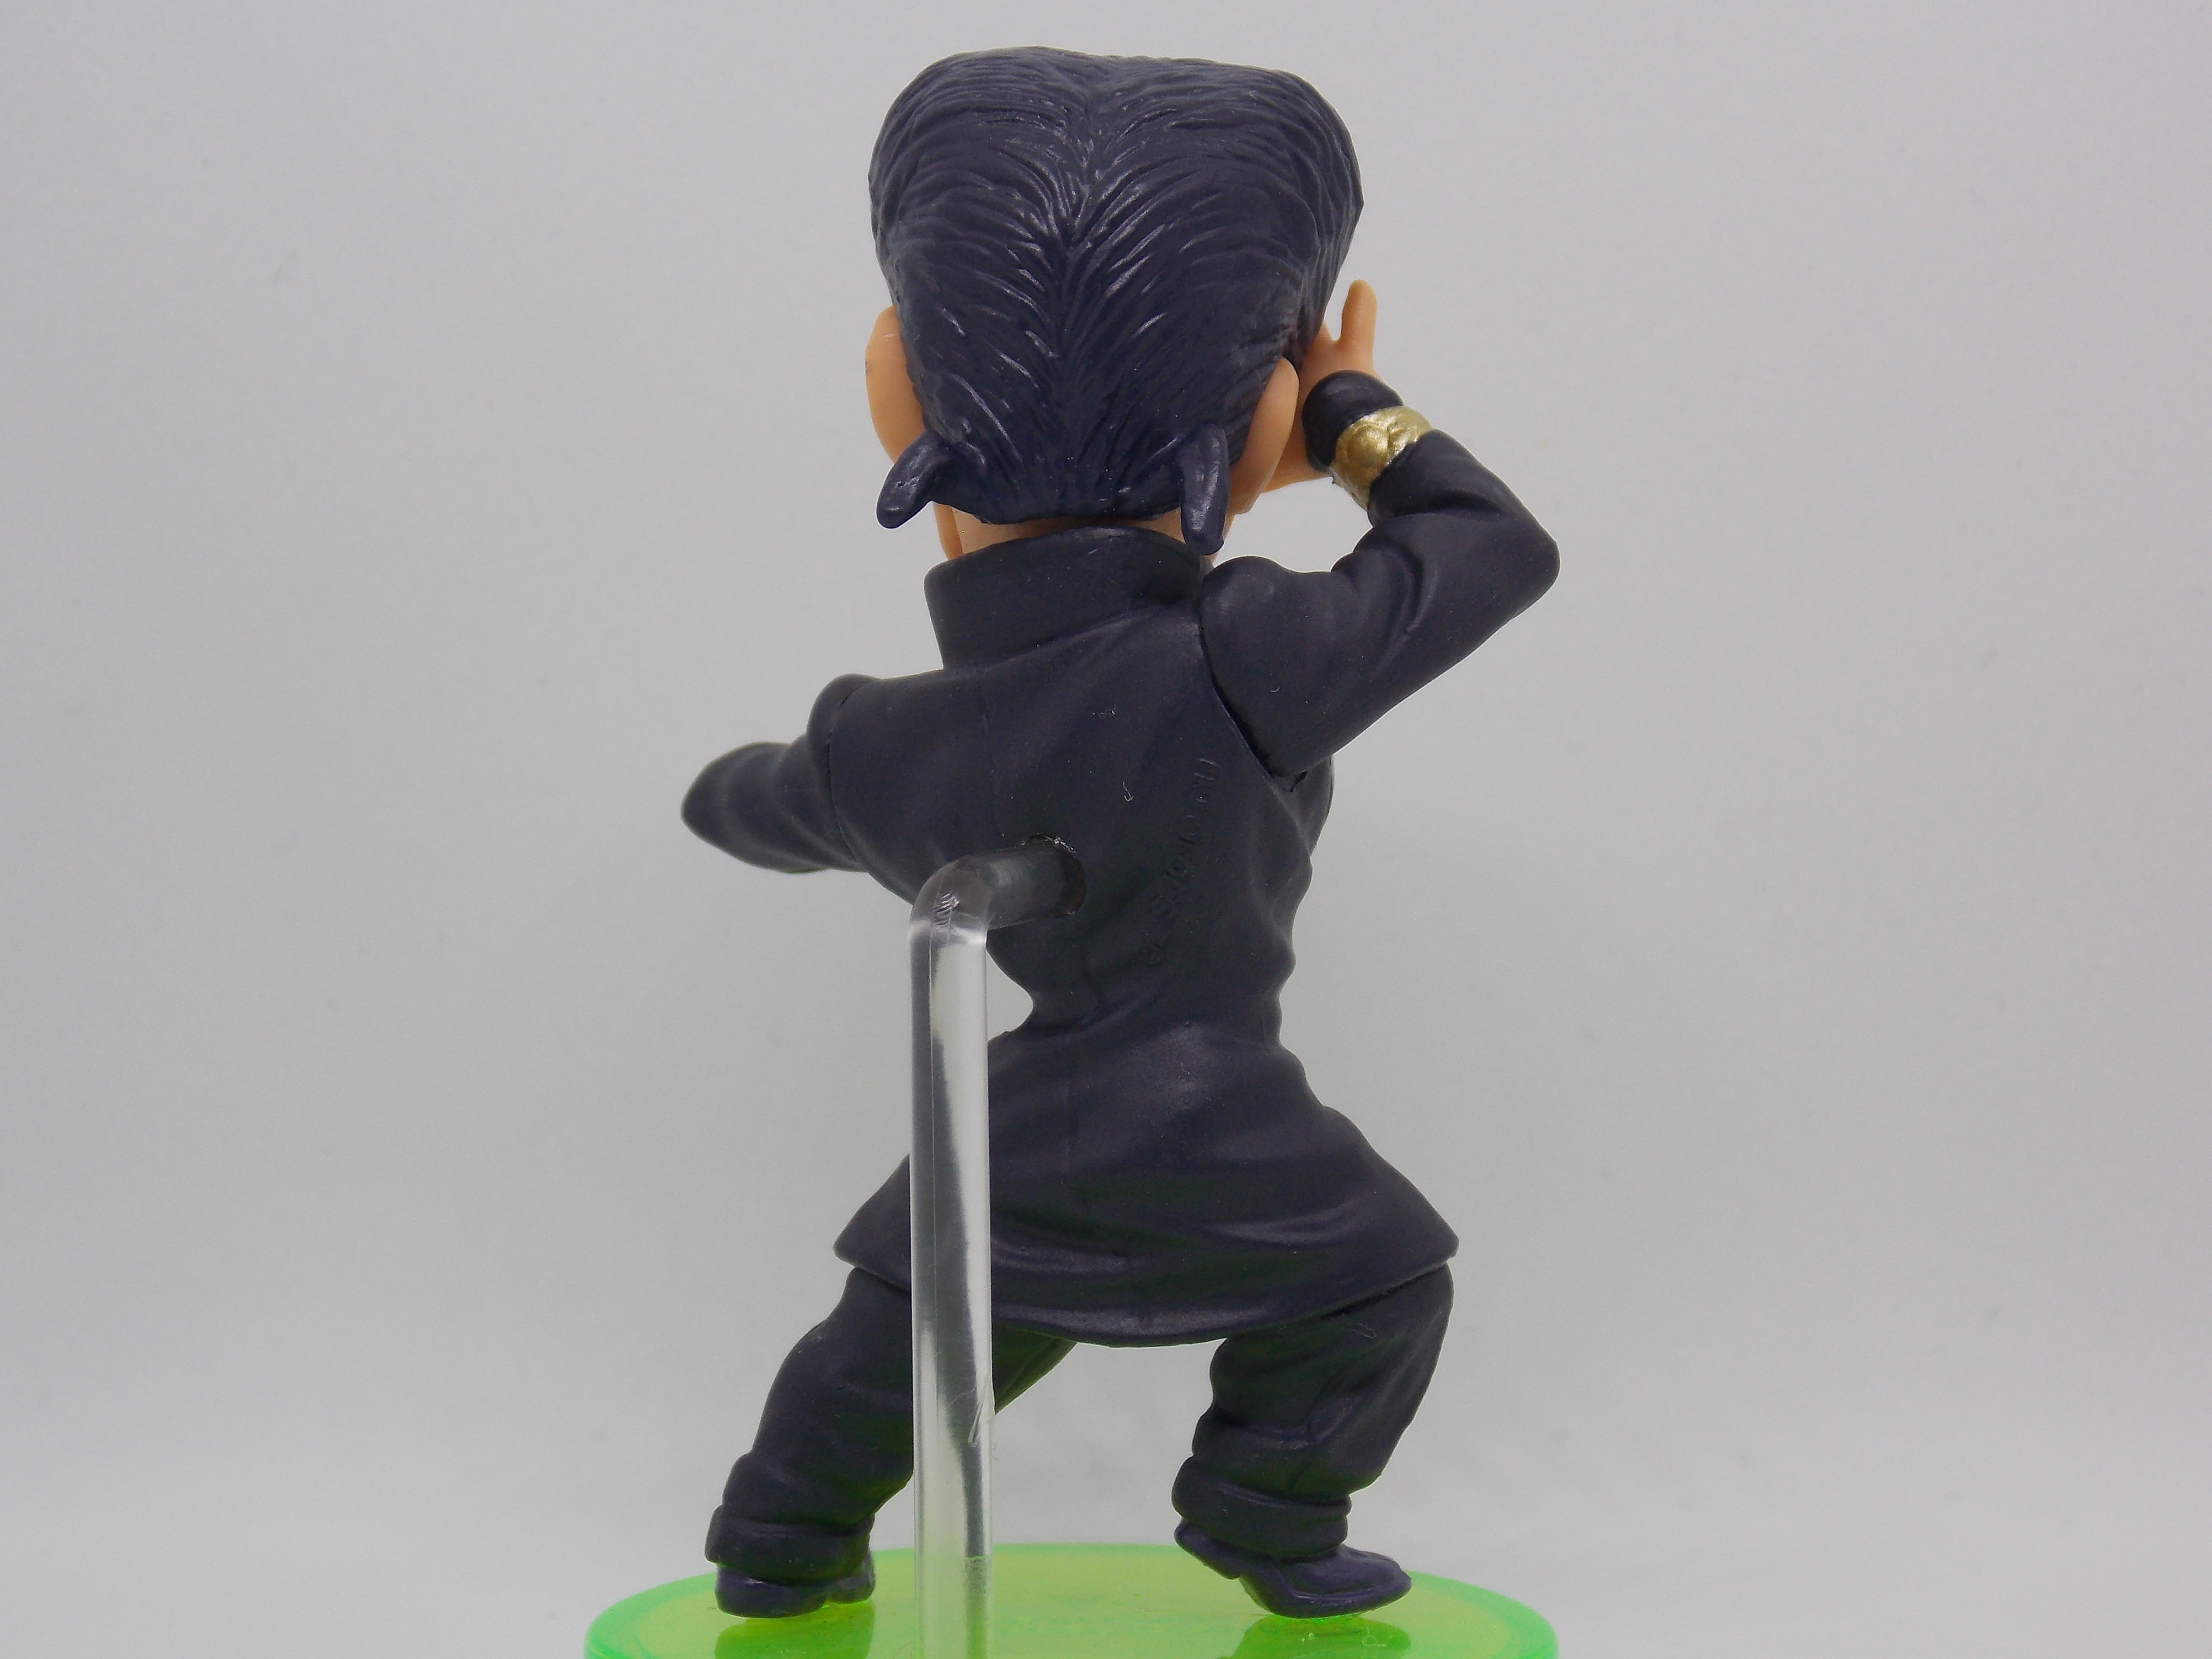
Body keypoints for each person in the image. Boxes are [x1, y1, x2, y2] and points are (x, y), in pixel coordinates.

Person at [681, 47, 1559, 1621]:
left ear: (892, 391)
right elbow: (1492, 547)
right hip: (1227, 1120)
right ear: (1266, 424)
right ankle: (1264, 1509)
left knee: (897, 1346)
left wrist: (763, 784)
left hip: (1014, 1138)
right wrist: (1356, 412)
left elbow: (750, 804)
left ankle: (777, 1539)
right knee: (1381, 1291)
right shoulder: (1252, 653)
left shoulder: (888, 738)